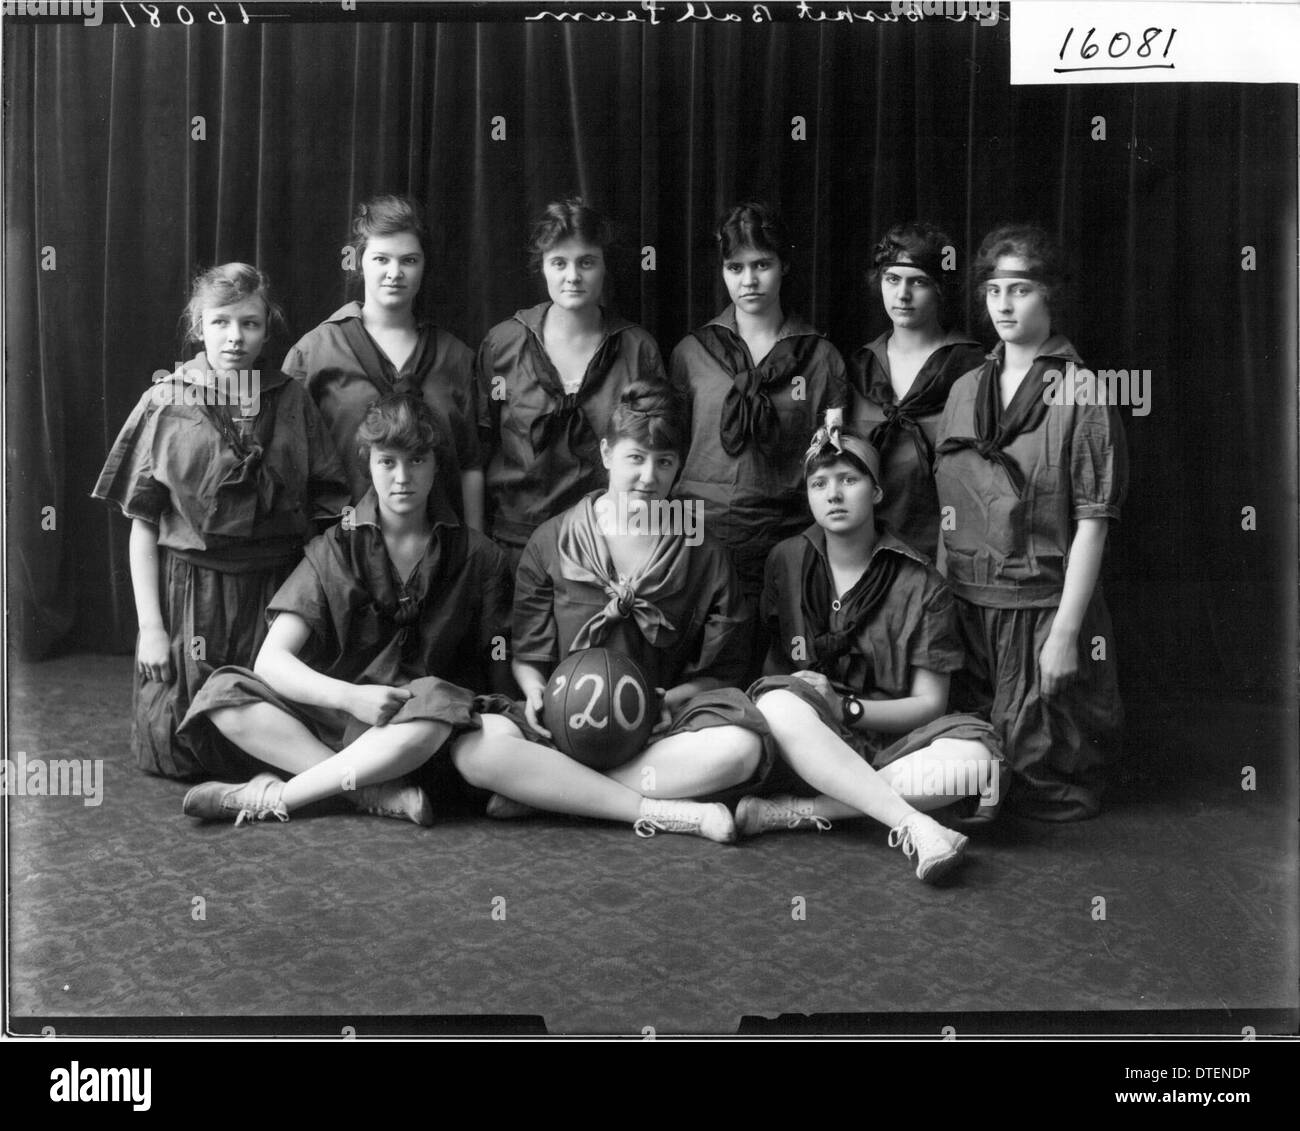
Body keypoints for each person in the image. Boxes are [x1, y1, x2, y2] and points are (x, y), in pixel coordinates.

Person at [449, 380, 771, 843]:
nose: (648, 477)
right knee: (473, 748)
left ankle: (553, 793)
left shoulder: (701, 546)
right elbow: (526, 656)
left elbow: (725, 669)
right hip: (562, 731)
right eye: (635, 459)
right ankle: (665, 811)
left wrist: (672, 700)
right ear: (606, 454)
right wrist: (536, 693)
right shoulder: (553, 539)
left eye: (664, 463)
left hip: (658, 734)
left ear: (679, 465)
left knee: (743, 747)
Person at [177, 394, 515, 826]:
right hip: (343, 720)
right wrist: (350, 697)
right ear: (367, 462)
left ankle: (282, 795)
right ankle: (371, 791)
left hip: (421, 732)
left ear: (436, 464)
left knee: (437, 701)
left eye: (416, 461)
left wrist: (512, 707)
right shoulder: (338, 545)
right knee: (224, 694)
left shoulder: (479, 555)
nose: (401, 477)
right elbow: (271, 661)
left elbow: (498, 658)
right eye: (387, 462)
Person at [92, 263, 349, 779]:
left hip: (275, 594)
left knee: (274, 723)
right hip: (193, 596)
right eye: (221, 322)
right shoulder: (165, 402)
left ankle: (306, 775)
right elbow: (143, 524)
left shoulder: (292, 400)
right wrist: (150, 628)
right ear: (198, 327)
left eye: (250, 324)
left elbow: (327, 515)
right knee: (187, 744)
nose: (235, 337)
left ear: (267, 328)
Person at [738, 426, 1003, 884]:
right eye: (819, 484)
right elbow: (773, 667)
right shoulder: (786, 559)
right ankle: (915, 824)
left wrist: (848, 708)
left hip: (890, 746)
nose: (834, 494)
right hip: (807, 741)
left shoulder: (921, 583)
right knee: (775, 702)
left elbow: (929, 704)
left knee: (978, 762)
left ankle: (801, 813)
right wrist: (811, 706)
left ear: (877, 491)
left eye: (849, 480)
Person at [933, 224, 1127, 821]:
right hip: (967, 609)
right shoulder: (965, 389)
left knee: (1040, 784)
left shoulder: (1084, 392)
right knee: (964, 773)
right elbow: (949, 512)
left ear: (1051, 297)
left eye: (1020, 290)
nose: (1005, 305)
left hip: (1044, 611)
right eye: (994, 291)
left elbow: (1093, 524)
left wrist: (1067, 634)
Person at [670, 200, 847, 620]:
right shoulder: (691, 353)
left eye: (762, 264)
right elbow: (670, 450)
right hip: (701, 540)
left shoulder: (821, 358)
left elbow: (831, 460)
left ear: (784, 265)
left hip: (787, 542)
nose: (749, 280)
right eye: (735, 267)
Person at [475, 197, 667, 571]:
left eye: (586, 262)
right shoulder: (503, 345)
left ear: (604, 267)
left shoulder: (637, 348)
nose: (572, 276)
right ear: (543, 267)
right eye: (559, 263)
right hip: (516, 541)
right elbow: (478, 449)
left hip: (607, 545)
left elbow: (657, 455)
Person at [283, 194, 483, 528]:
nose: (395, 273)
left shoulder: (456, 358)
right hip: (342, 552)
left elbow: (471, 464)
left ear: (424, 265)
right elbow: (289, 462)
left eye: (409, 260)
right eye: (381, 259)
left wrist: (477, 553)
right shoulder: (314, 354)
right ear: (359, 261)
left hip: (437, 553)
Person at [846, 221, 984, 559]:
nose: (902, 295)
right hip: (870, 553)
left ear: (939, 288)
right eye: (892, 279)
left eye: (918, 282)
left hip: (951, 552)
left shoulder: (973, 366)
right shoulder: (860, 366)